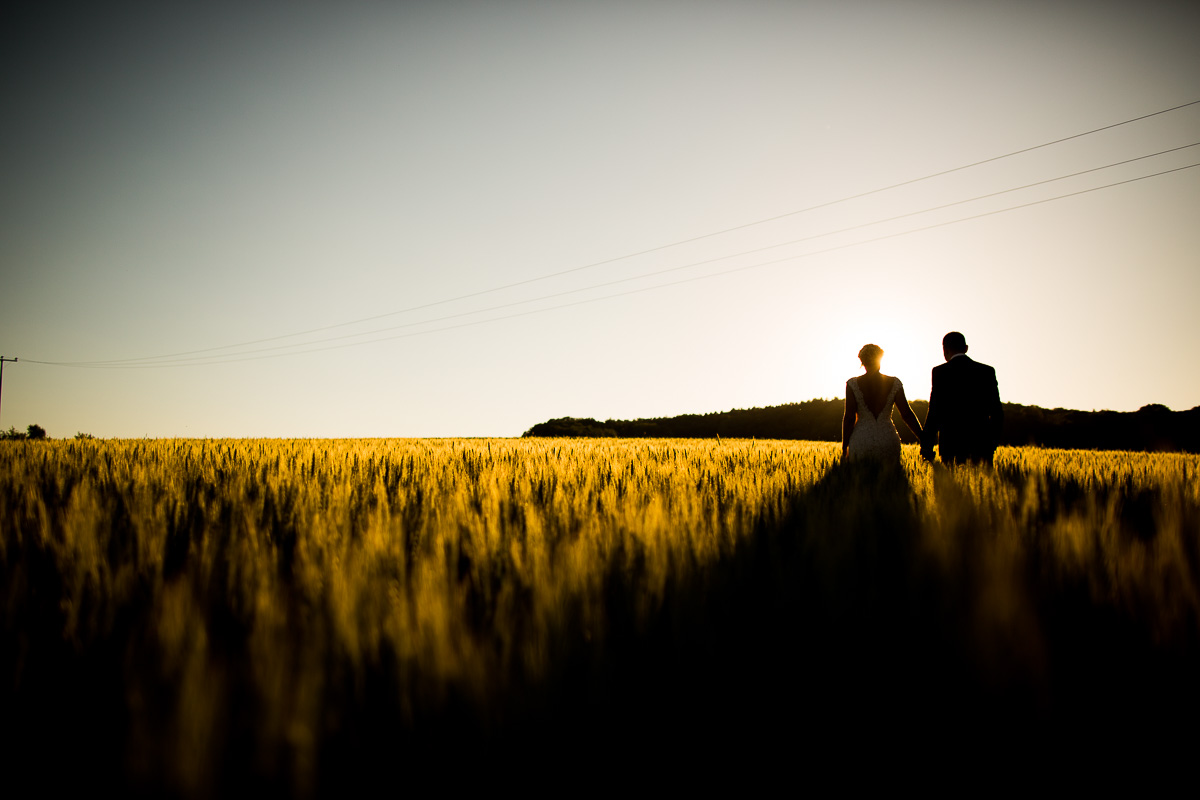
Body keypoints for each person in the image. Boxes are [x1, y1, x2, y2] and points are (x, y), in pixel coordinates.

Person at [921, 332, 1003, 465]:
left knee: (952, 485)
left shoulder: (940, 372)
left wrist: (927, 445)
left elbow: (934, 411)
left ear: (944, 350)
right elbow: (997, 411)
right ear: (966, 348)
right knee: (981, 485)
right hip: (981, 444)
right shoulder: (987, 371)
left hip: (950, 444)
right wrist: (992, 441)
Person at [841, 344, 924, 464]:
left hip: (861, 440)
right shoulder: (894, 382)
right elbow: (906, 413)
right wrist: (922, 437)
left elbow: (849, 417)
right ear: (880, 359)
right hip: (888, 439)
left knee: (861, 480)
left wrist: (845, 446)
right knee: (890, 480)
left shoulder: (852, 384)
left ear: (862, 362)